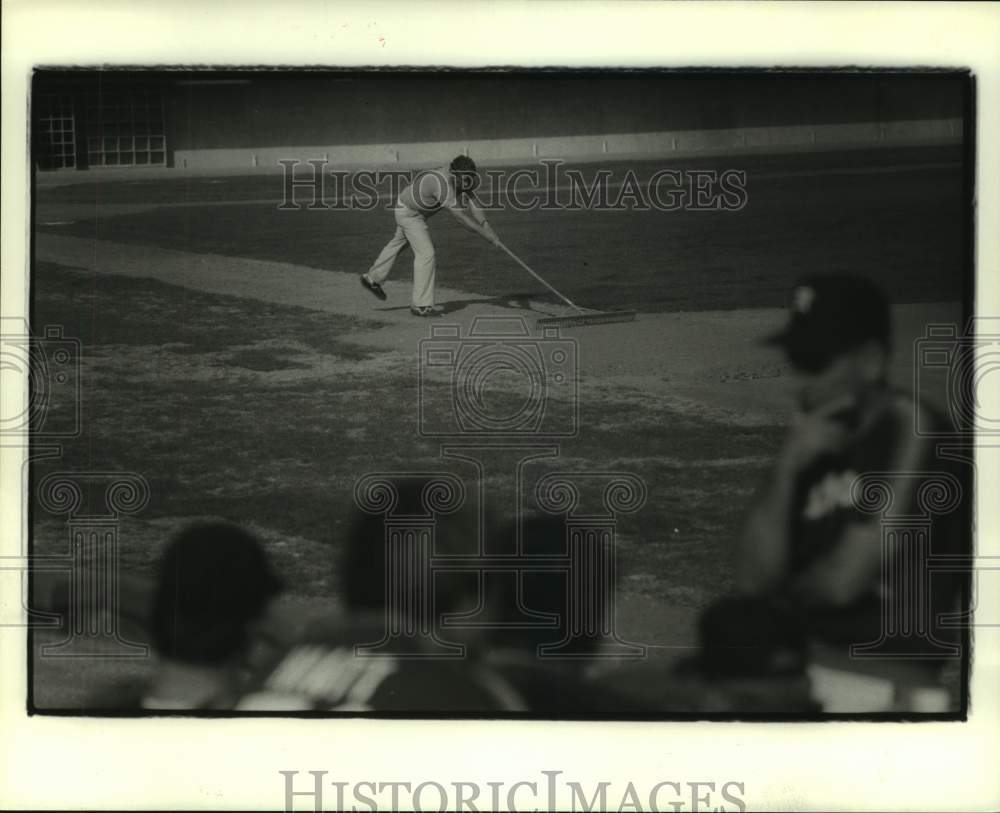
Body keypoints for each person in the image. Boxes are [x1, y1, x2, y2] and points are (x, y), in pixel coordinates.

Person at [733, 272, 969, 712]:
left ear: (871, 360)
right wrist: (787, 464)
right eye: (797, 359)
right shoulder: (815, 440)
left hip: (884, 689)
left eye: (817, 362)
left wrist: (781, 598)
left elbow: (843, 582)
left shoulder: (917, 434)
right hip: (806, 674)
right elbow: (750, 579)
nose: (801, 379)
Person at [360, 155, 500, 317]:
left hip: (410, 208)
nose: (466, 183)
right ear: (454, 174)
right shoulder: (441, 185)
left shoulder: (462, 175)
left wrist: (487, 226)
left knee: (398, 243)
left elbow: (473, 202)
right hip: (409, 214)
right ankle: (421, 305)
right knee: (426, 254)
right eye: (463, 179)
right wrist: (488, 237)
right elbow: (462, 218)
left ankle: (372, 278)